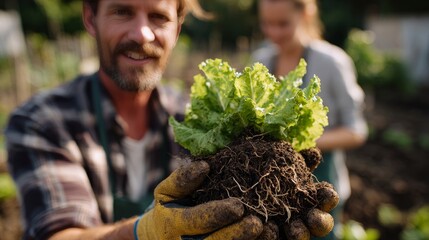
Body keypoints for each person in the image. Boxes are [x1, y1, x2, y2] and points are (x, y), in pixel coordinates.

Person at [6, 0, 336, 239]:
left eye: (158, 16)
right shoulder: (43, 121)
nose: (142, 34)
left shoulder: (195, 119)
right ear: (91, 18)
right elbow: (61, 236)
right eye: (122, 11)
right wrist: (144, 232)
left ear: (177, 29)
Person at [252, 0, 368, 238]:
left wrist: (301, 144)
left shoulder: (332, 62)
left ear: (305, 14)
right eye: (267, 24)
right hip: (268, 192)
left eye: (283, 24)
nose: (274, 33)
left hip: (322, 187)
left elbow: (356, 131)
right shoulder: (261, 61)